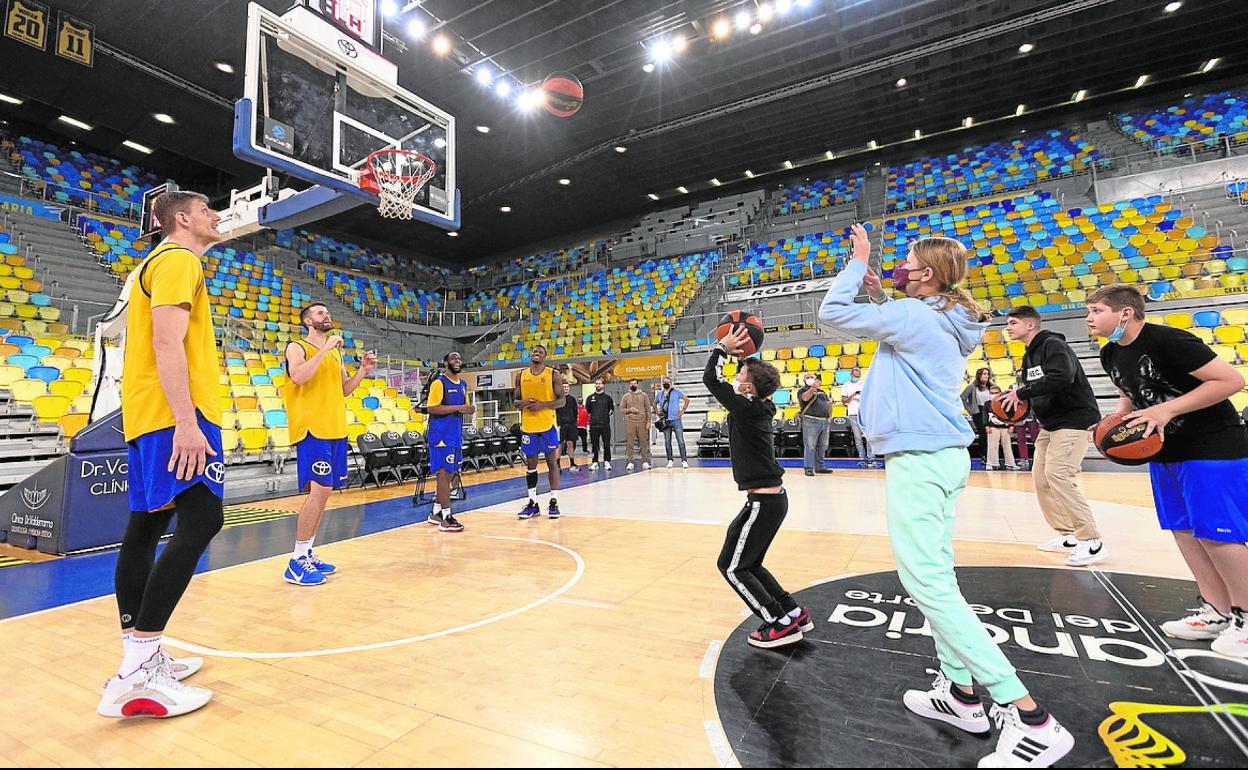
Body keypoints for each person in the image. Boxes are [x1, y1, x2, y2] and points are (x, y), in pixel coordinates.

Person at [819, 224, 1074, 766]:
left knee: (927, 581)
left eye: (907, 261)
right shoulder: (949, 319)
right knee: (936, 572)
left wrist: (855, 261)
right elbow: (910, 330)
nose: (899, 265)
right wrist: (882, 298)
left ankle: (1030, 716)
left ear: (927, 274)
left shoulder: (917, 316)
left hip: (919, 457)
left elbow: (830, 314)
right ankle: (960, 694)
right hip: (944, 455)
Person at [99, 190, 226, 718]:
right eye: (206, 210)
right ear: (182, 219)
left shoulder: (155, 262)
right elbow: (166, 344)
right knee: (203, 520)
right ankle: (137, 671)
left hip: (148, 411)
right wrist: (186, 422)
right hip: (173, 414)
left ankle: (139, 653)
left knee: (147, 526)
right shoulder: (177, 259)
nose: (216, 216)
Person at [1088, 284, 1248, 659]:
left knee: (1218, 534)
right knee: (1185, 531)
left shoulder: (1170, 341)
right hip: (1164, 453)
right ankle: (1218, 611)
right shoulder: (1111, 353)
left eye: (1096, 311)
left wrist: (1167, 410)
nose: (1089, 319)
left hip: (1212, 447)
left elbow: (1231, 381)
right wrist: (1117, 421)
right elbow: (1130, 393)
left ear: (1125, 313)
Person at [708, 325, 810, 649]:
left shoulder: (747, 407)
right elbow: (743, 378)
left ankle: (778, 623)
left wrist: (721, 349)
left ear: (749, 386)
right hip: (771, 500)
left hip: (763, 503)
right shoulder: (754, 405)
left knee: (732, 566)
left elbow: (712, 379)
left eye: (741, 373)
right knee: (750, 563)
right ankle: (793, 612)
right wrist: (744, 353)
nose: (736, 375)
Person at [1000, 305, 1105, 566]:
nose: (1008, 328)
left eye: (1013, 323)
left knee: (1059, 474)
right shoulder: (1029, 356)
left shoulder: (1051, 345)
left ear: (1030, 325)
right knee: (1041, 479)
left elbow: (1063, 376)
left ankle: (1092, 541)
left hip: (1074, 419)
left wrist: (1021, 394)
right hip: (1050, 423)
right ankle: (1068, 534)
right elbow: (1036, 388)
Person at [282, 303, 378, 585]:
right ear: (308, 322)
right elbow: (298, 376)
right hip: (313, 428)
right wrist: (323, 350)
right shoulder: (297, 347)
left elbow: (344, 390)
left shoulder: (335, 354)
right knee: (319, 490)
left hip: (335, 428)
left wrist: (362, 371)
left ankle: (308, 552)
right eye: (320, 313)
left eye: (327, 312)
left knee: (324, 494)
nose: (327, 316)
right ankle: (297, 560)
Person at [424, 352, 473, 533]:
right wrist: (459, 408)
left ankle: (436, 512)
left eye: (459, 359)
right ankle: (446, 517)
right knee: (443, 475)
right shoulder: (439, 383)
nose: (457, 361)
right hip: (441, 436)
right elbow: (432, 408)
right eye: (453, 359)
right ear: (445, 362)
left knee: (451, 474)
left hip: (455, 435)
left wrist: (468, 409)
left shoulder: (463, 384)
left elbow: (463, 407)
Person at [515, 345, 564, 519]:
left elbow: (562, 401)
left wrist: (542, 405)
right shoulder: (521, 375)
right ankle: (532, 503)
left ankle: (553, 501)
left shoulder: (552, 374)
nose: (537, 354)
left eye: (540, 352)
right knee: (531, 465)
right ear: (530, 355)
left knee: (552, 463)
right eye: (534, 351)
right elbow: (515, 401)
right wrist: (524, 402)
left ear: (544, 356)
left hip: (547, 425)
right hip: (528, 426)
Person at [841, 366, 878, 468]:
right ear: (851, 375)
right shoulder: (846, 385)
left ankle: (871, 459)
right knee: (857, 437)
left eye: (858, 376)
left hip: (865, 413)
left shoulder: (864, 384)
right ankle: (862, 459)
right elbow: (843, 400)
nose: (857, 377)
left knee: (868, 436)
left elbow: (870, 397)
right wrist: (852, 395)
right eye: (855, 375)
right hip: (853, 413)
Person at [798, 372, 833, 476]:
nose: (809, 378)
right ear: (804, 380)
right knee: (810, 445)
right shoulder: (802, 390)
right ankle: (809, 467)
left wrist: (829, 417)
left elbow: (828, 404)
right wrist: (812, 388)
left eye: (811, 377)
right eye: (807, 377)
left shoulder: (822, 392)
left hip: (824, 421)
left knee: (823, 445)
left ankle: (820, 466)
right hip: (810, 420)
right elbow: (805, 398)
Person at [657, 374, 691, 468]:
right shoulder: (660, 394)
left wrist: (683, 410)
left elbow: (687, 400)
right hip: (666, 420)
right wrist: (657, 413)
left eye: (667, 382)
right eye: (664, 382)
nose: (666, 383)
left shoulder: (676, 392)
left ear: (670, 383)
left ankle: (684, 460)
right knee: (667, 441)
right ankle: (670, 460)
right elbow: (654, 403)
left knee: (680, 440)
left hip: (676, 420)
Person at [961, 367, 994, 459]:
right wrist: (970, 409)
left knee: (991, 433)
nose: (986, 376)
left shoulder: (991, 386)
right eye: (984, 373)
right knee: (983, 433)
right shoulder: (972, 387)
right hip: (978, 411)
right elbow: (962, 398)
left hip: (990, 411)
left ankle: (991, 455)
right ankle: (983, 454)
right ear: (979, 375)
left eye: (987, 374)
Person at [984, 386, 1020, 471]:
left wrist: (1011, 426)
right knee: (992, 446)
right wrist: (986, 426)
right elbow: (984, 416)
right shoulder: (987, 404)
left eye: (995, 393)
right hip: (992, 427)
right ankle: (991, 464)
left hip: (1005, 427)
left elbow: (1011, 414)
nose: (993, 395)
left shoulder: (1006, 402)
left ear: (1000, 393)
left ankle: (1010, 464)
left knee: (1007, 446)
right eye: (991, 393)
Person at [621, 378, 652, 471]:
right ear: (629, 385)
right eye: (631, 384)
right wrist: (630, 410)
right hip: (630, 421)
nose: (633, 385)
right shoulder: (626, 396)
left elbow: (648, 409)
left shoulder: (644, 395)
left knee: (643, 442)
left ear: (637, 384)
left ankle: (645, 461)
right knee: (630, 442)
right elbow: (621, 408)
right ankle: (630, 462)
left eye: (634, 383)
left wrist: (649, 421)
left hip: (642, 421)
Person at [586, 379, 614, 471]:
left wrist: (604, 417)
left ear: (603, 385)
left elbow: (611, 410)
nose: (598, 385)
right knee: (594, 445)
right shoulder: (590, 398)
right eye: (597, 384)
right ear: (595, 385)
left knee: (606, 444)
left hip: (605, 425)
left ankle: (607, 461)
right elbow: (588, 411)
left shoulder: (608, 398)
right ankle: (595, 462)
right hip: (594, 425)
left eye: (600, 384)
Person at [556, 380, 580, 470]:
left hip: (571, 425)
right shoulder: (558, 400)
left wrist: (574, 423)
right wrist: (557, 423)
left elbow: (575, 412)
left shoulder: (572, 399)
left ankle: (572, 463)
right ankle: (557, 464)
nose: (565, 389)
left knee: (570, 444)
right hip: (561, 425)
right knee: (559, 444)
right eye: (564, 387)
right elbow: (555, 412)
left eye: (567, 387)